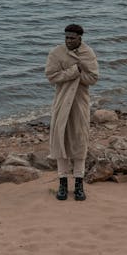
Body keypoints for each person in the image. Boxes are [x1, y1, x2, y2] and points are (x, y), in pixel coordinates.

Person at [45, 23, 99, 201]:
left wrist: (78, 74)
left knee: (79, 140)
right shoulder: (56, 53)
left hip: (79, 102)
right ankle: (62, 183)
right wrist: (74, 71)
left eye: (72, 38)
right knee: (60, 140)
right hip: (61, 102)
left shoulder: (88, 53)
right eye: (66, 37)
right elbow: (52, 76)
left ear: (80, 38)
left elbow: (93, 78)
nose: (68, 41)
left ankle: (78, 184)